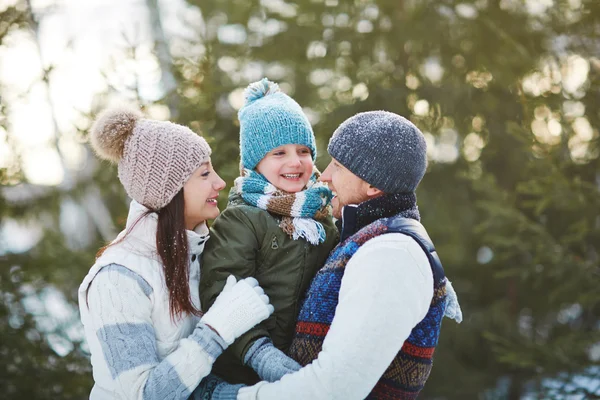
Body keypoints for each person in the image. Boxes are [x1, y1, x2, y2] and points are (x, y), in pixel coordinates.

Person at [237, 111, 463, 400]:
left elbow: (332, 390)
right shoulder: (366, 238)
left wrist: (231, 396)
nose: (325, 175)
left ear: (372, 186)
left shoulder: (391, 255)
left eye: (338, 166)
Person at [77, 107, 274, 400]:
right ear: (168, 191)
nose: (219, 182)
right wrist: (219, 327)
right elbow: (144, 394)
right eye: (205, 173)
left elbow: (197, 383)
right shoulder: (118, 280)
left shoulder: (199, 253)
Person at [197, 78, 339, 395]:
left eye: (303, 151)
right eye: (279, 152)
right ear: (255, 162)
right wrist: (259, 354)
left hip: (304, 359)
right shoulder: (243, 218)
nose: (294, 161)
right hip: (244, 368)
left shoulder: (323, 214)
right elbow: (222, 289)